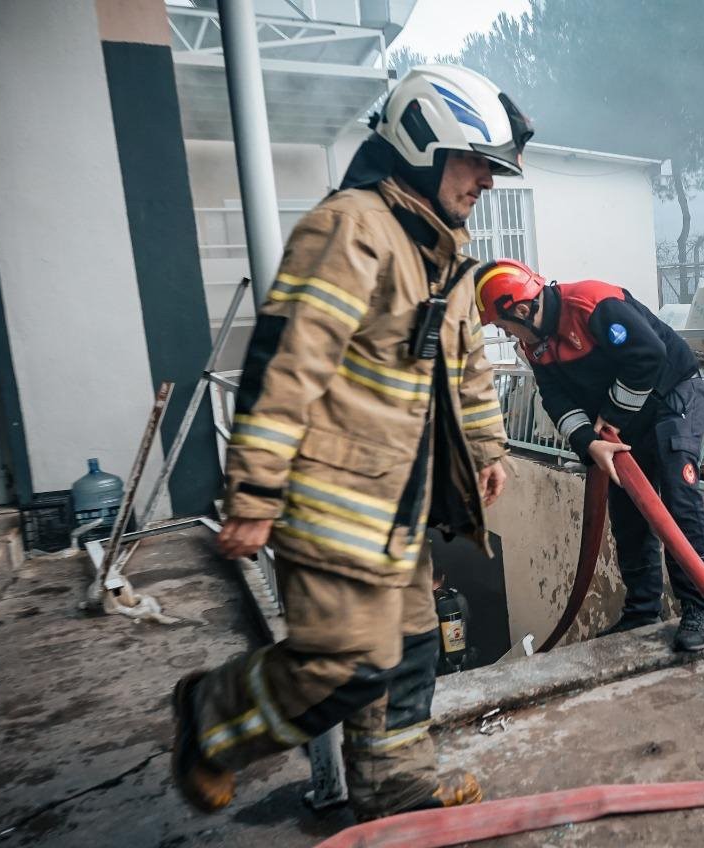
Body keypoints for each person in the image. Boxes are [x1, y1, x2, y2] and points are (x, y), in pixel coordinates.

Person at [170, 65, 532, 817]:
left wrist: (487, 449)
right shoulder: (351, 229)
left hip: (401, 508)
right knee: (345, 665)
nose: (486, 182)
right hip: (334, 504)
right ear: (425, 144)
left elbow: (464, 362)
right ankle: (211, 715)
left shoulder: (439, 251)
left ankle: (393, 784)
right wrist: (254, 491)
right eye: (476, 162)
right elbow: (286, 364)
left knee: (412, 646)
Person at [474, 259, 704, 652]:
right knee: (627, 511)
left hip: (671, 399)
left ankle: (699, 608)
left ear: (521, 309)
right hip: (620, 422)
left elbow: (648, 356)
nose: (504, 333)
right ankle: (643, 611)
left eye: (503, 325)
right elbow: (555, 399)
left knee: (677, 501)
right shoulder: (535, 345)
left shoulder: (592, 304)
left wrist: (612, 418)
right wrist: (590, 442)